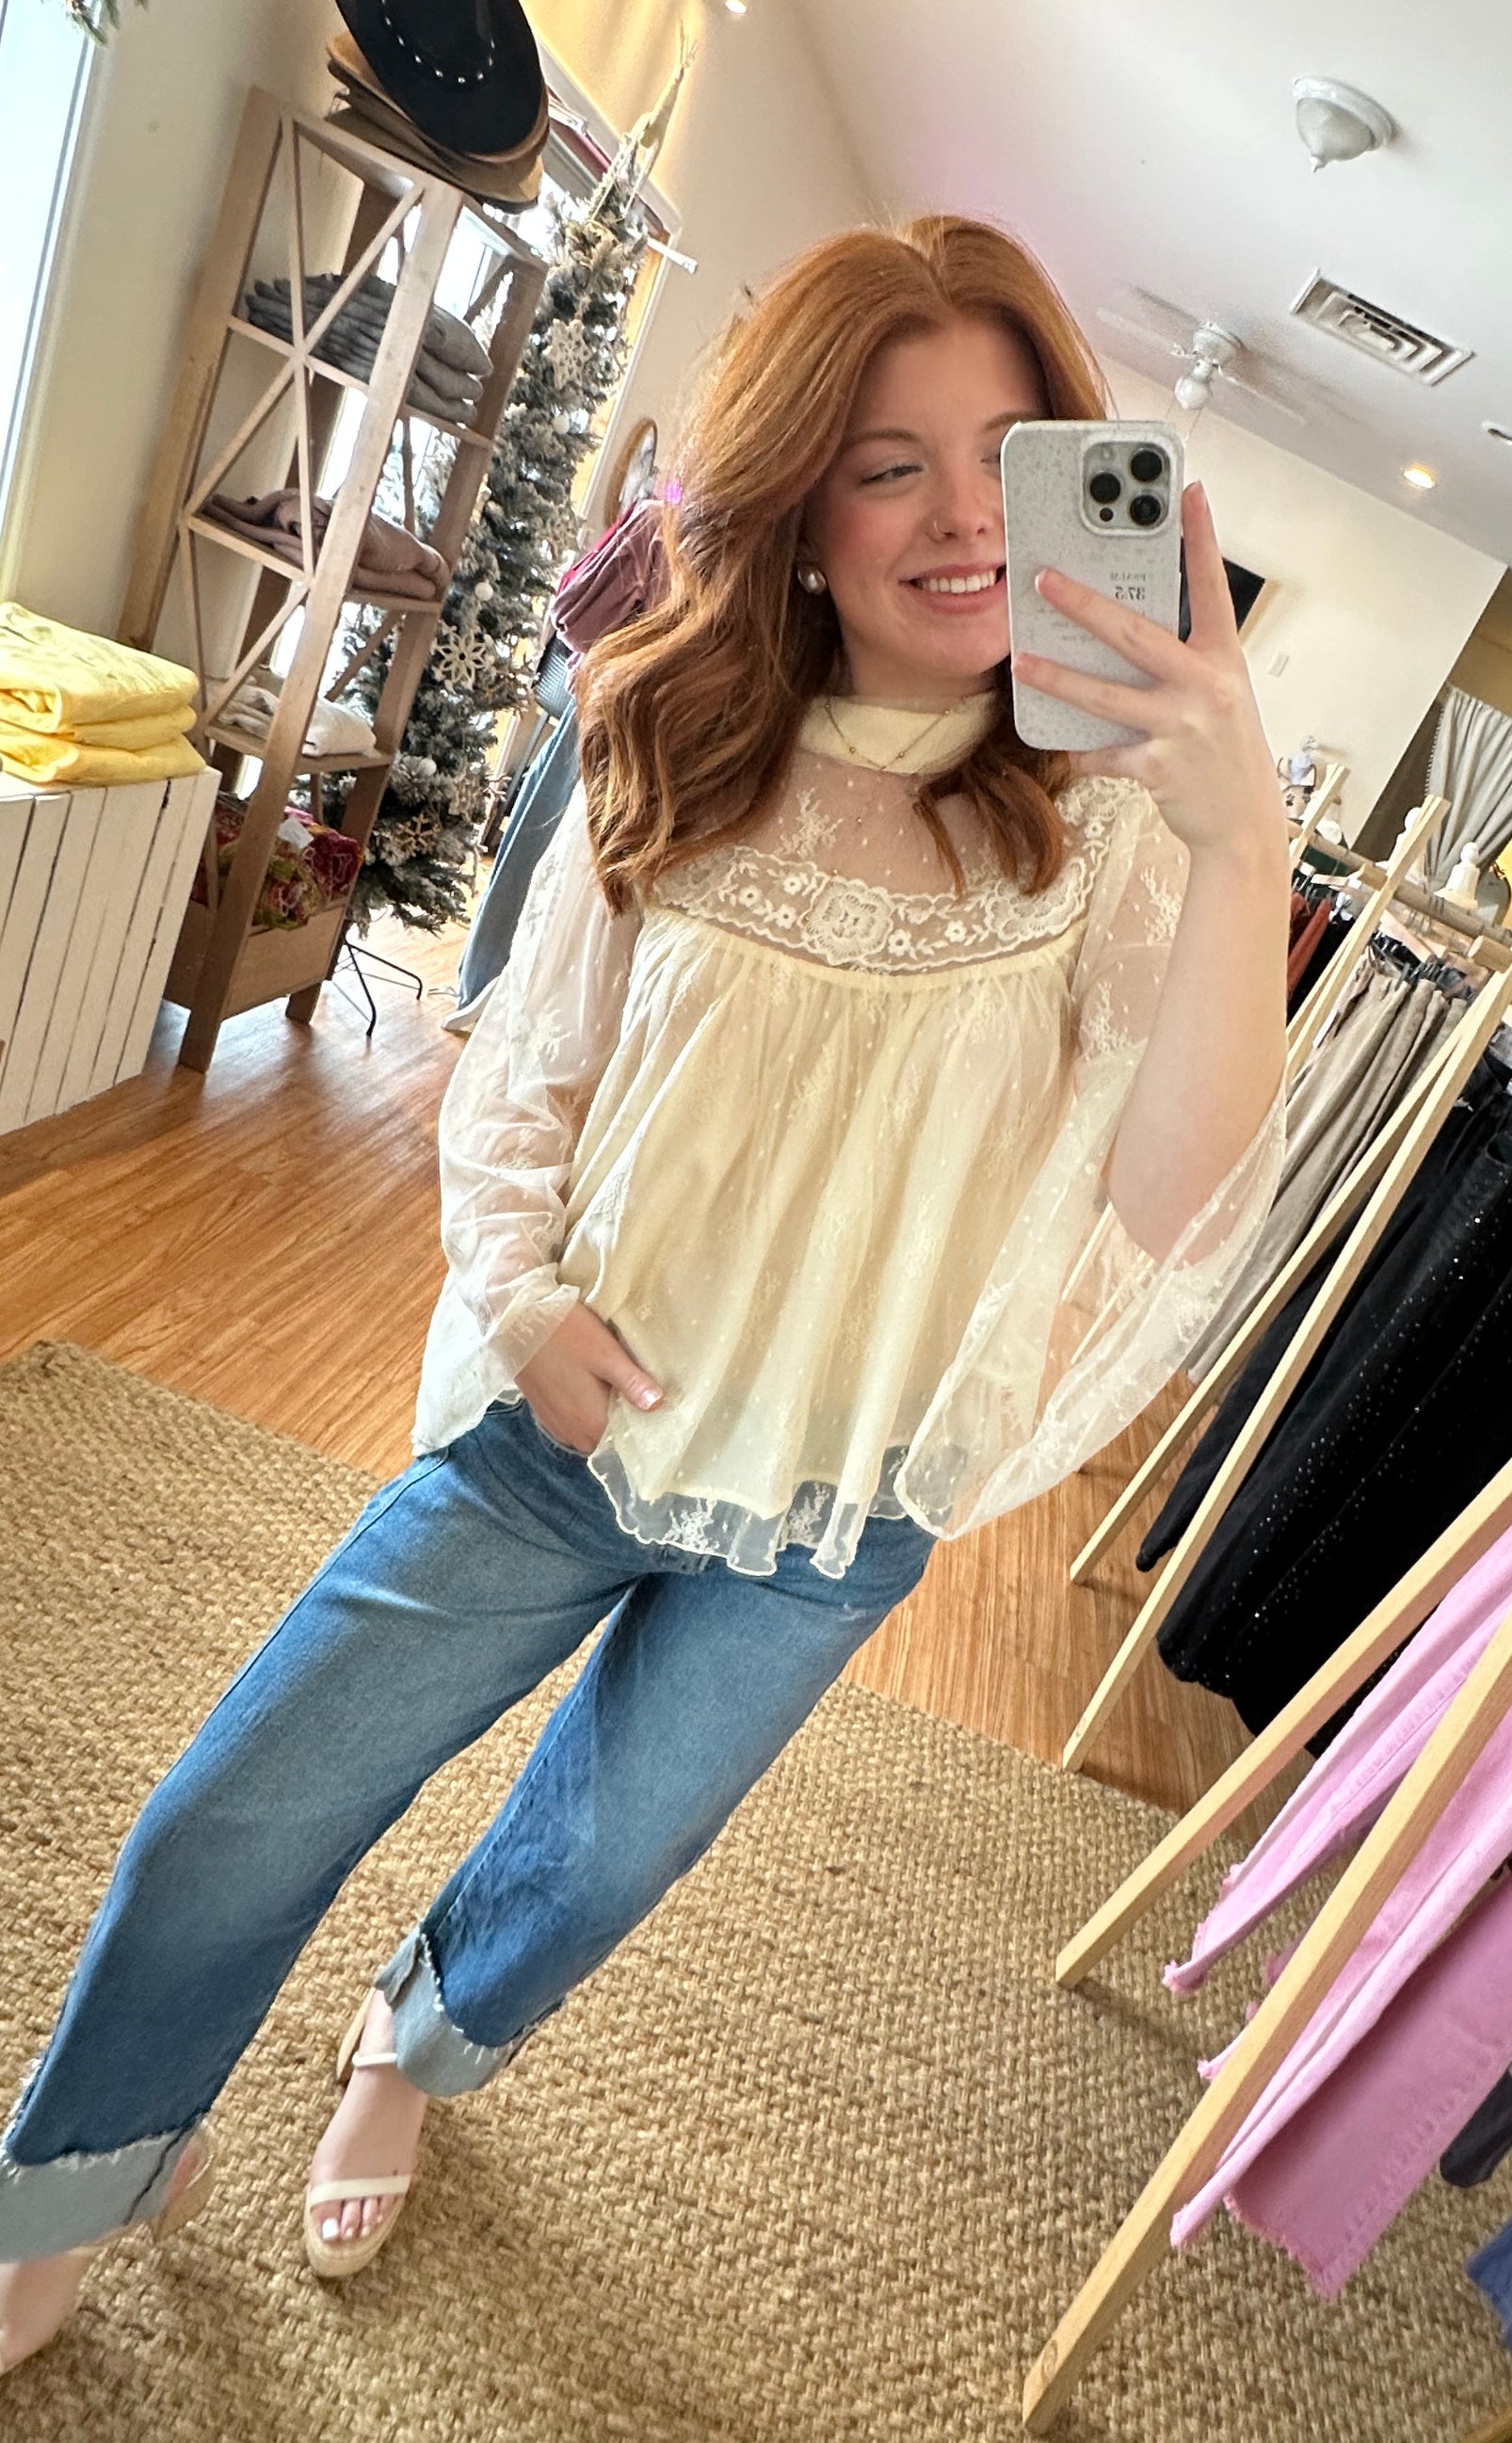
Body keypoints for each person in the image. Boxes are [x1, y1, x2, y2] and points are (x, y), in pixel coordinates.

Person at [0, 213, 1288, 2372]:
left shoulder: (1111, 829)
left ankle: (412, 2045)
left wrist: (1241, 839)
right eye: (887, 464)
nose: (965, 520)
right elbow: (525, 1063)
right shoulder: (664, 729)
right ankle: (82, 2168)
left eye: (1006, 458)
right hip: (566, 1429)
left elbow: (1170, 1203)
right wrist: (513, 1300)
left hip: (839, 1498)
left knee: (598, 1864)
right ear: (799, 512)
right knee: (233, 1811)